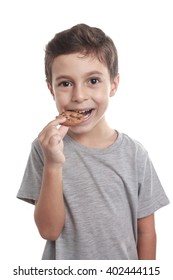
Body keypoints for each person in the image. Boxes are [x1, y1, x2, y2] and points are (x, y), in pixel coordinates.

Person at [17, 23, 169, 260]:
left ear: (114, 85)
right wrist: (53, 164)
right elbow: (48, 230)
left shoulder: (135, 154)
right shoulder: (43, 148)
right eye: (65, 83)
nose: (79, 96)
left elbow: (146, 231)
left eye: (93, 81)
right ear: (51, 89)